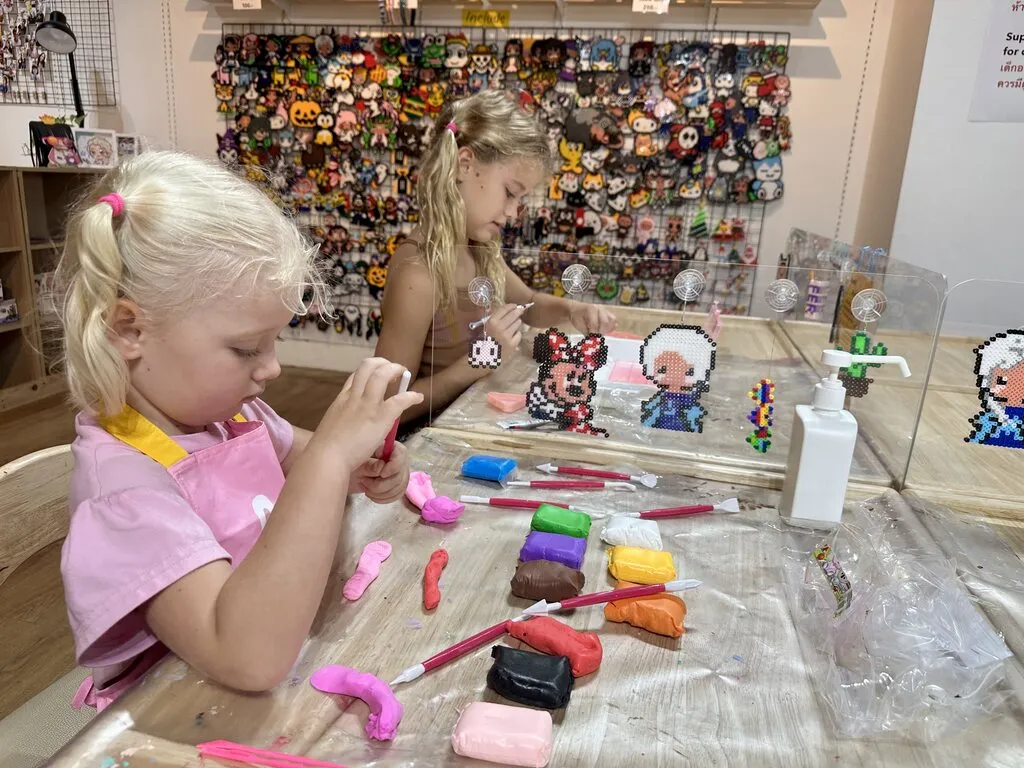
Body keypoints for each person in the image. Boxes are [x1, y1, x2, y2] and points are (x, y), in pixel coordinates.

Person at [56, 152, 421, 709]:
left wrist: (366, 463)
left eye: (275, 341)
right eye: (248, 348)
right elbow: (247, 657)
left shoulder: (233, 418)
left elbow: (325, 466)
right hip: (177, 719)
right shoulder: (125, 495)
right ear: (129, 330)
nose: (272, 367)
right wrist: (330, 460)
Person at [375, 90, 617, 426]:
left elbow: (528, 303)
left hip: (469, 424)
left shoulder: (477, 249)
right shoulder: (419, 272)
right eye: (510, 192)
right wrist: (480, 359)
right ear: (465, 165)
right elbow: (386, 406)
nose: (513, 212)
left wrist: (571, 310)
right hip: (423, 442)